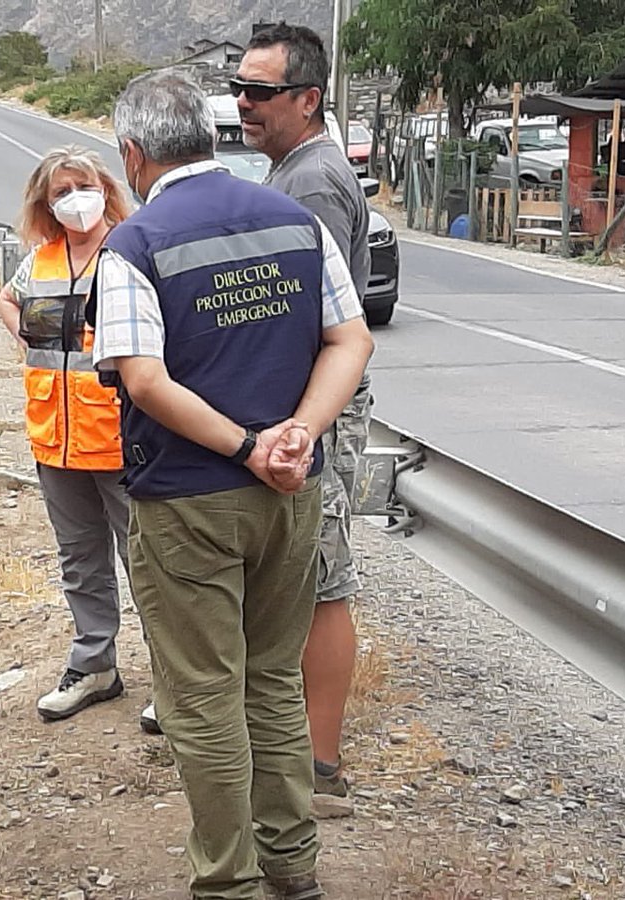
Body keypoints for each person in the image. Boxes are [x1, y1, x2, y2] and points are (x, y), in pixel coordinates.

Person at [90, 69, 373, 899]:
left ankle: (229, 882)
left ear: (133, 154)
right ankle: (293, 867)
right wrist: (298, 436)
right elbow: (350, 340)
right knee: (275, 680)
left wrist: (249, 445)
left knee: (204, 696)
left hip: (188, 500)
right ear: (211, 139)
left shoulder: (134, 244)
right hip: (293, 494)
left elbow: (142, 380)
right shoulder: (293, 220)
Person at [237, 23, 375, 813]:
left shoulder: (313, 183)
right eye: (240, 91)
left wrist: (301, 423)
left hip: (312, 413)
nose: (245, 106)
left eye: (261, 93)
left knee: (323, 579)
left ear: (308, 98)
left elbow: (311, 321)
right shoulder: (292, 171)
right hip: (298, 409)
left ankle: (318, 770)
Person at [0, 147, 141, 722]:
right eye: (60, 193)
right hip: (54, 438)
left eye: (82, 186)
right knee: (80, 560)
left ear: (104, 188)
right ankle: (95, 666)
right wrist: (26, 336)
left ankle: (177, 681)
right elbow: (6, 300)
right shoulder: (41, 261)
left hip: (120, 438)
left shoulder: (129, 251)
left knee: (146, 563)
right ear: (45, 204)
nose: (73, 200)